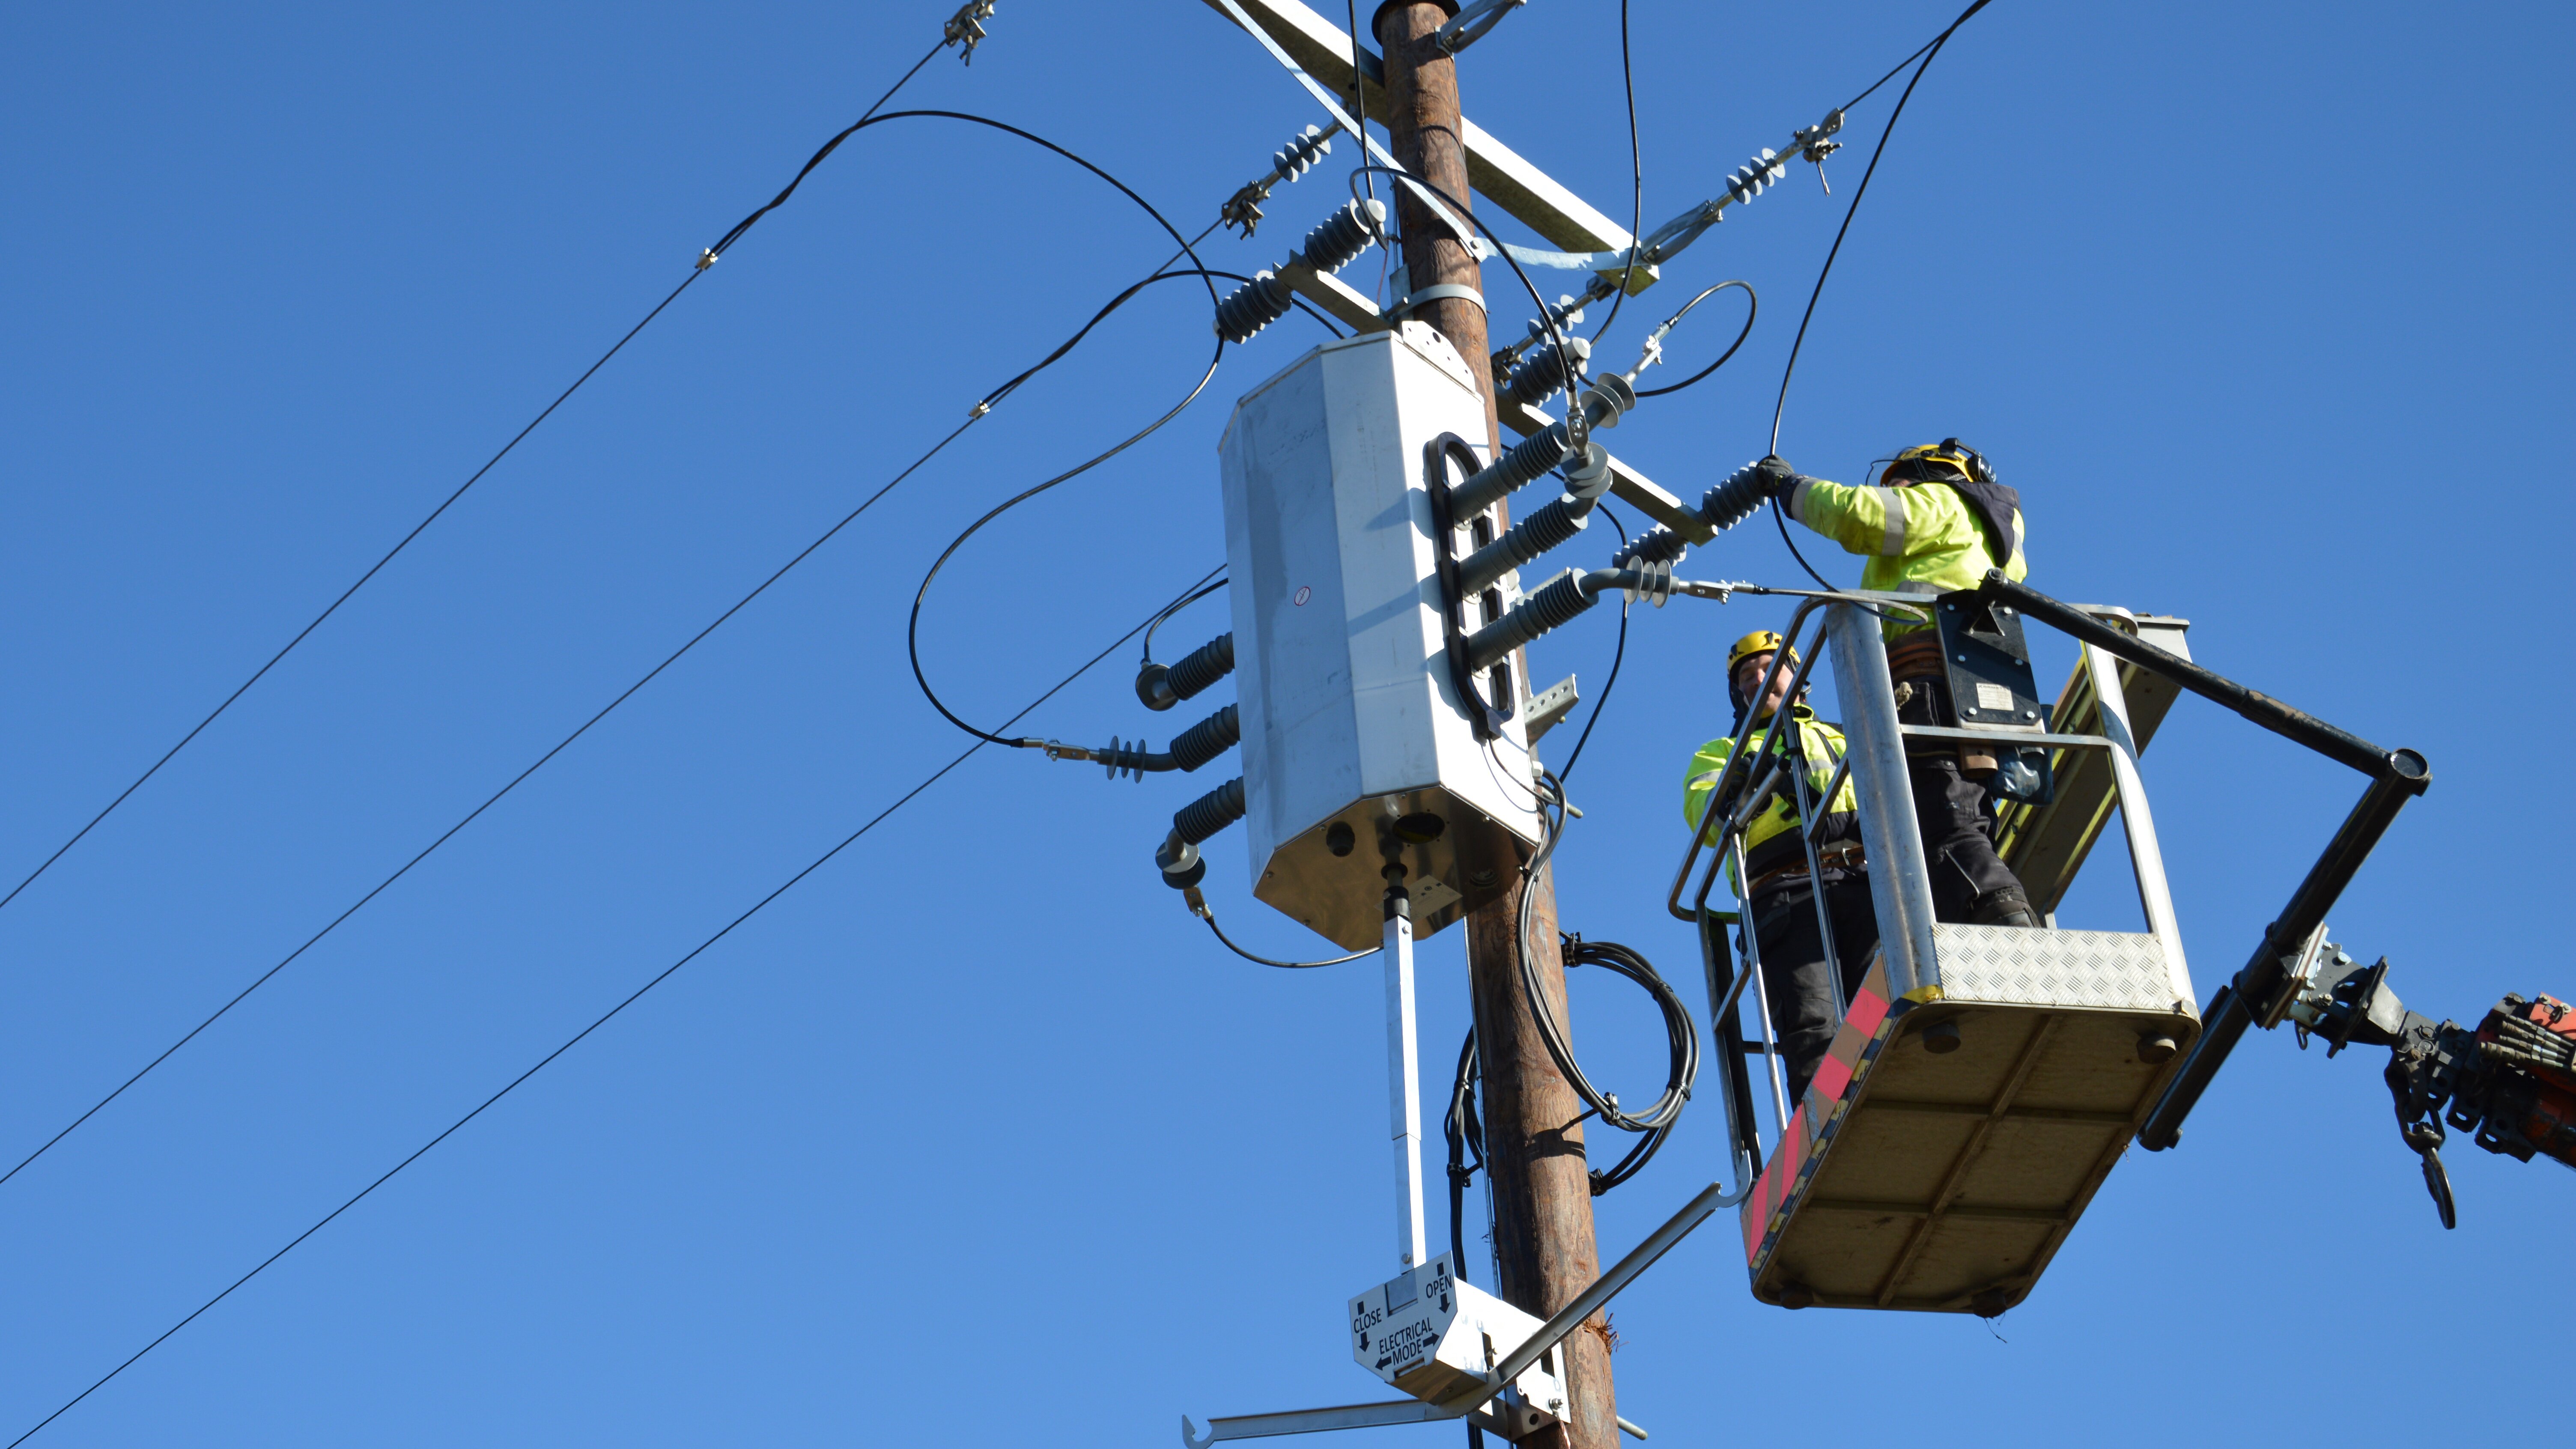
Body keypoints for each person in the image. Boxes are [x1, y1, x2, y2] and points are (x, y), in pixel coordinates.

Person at [1738, 441, 2042, 929]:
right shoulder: (1985, 539)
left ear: (1933, 473)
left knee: (1938, 817)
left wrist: (1790, 489)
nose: (1889, 490)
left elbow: (1861, 517)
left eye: (1899, 480)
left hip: (1928, 677)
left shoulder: (1946, 504)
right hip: (1976, 681)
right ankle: (1977, 923)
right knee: (1961, 812)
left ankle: (2002, 920)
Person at [1682, 630, 1881, 1105]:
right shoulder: (1717, 754)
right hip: (1783, 891)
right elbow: (1706, 817)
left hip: (1860, 878)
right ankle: (1825, 1124)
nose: (1758, 680)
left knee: (1881, 1003)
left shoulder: (1839, 734)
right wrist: (1744, 783)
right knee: (1812, 1022)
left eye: (1771, 669)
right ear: (1738, 693)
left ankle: (1899, 1096)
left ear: (1798, 680)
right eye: (1747, 676)